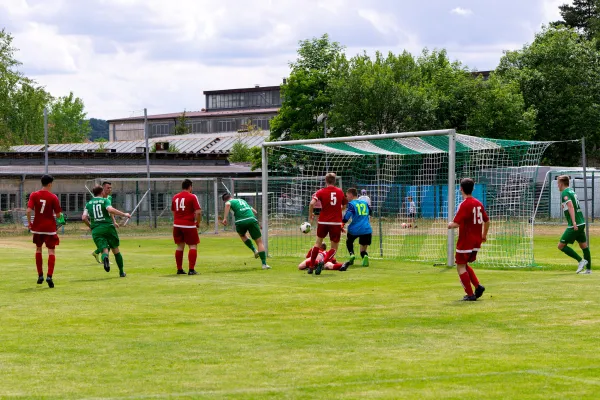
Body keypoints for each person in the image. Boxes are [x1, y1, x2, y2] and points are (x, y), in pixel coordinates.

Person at [448, 178, 489, 301]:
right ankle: (478, 286)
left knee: (460, 266)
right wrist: (484, 235)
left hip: (466, 241)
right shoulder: (478, 203)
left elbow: (456, 224)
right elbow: (487, 221)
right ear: (473, 188)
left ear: (461, 189)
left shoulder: (464, 204)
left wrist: (449, 225)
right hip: (476, 241)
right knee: (464, 265)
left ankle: (470, 294)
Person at [82, 185, 131, 277]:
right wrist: (124, 214)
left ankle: (105, 258)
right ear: (102, 192)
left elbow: (84, 218)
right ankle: (121, 272)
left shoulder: (88, 204)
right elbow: (110, 209)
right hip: (108, 227)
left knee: (104, 249)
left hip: (96, 229)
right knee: (115, 250)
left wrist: (91, 226)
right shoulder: (105, 200)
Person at [26, 174, 63, 288]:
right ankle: (49, 276)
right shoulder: (53, 197)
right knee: (51, 251)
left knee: (38, 249)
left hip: (37, 228)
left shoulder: (34, 195)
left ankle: (40, 275)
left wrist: (30, 223)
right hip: (50, 229)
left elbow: (28, 211)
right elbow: (58, 215)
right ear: (50, 184)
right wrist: (60, 219)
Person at [308, 172, 348, 275]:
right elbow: (344, 205)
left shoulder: (321, 191)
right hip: (335, 222)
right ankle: (323, 262)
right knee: (334, 247)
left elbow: (312, 203)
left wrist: (311, 215)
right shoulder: (340, 192)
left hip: (323, 221)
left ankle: (311, 266)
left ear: (325, 181)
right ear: (334, 181)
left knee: (318, 243)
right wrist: (338, 209)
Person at [222, 193, 270, 270]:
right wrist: (258, 223)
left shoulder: (229, 202)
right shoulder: (242, 200)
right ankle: (264, 264)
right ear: (231, 197)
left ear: (224, 200)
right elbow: (255, 211)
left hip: (240, 221)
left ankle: (254, 250)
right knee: (259, 242)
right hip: (252, 220)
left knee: (242, 235)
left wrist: (225, 218)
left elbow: (227, 204)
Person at [556, 175, 591, 274]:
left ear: (561, 183)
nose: (557, 186)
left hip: (574, 224)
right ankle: (588, 270)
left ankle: (581, 261)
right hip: (581, 222)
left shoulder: (565, 193)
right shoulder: (571, 191)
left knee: (561, 246)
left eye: (558, 183)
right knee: (584, 246)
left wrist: (574, 222)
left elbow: (571, 206)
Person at [172, 179, 202, 275]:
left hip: (176, 225)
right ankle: (191, 270)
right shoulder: (192, 196)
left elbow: (173, 211)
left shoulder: (175, 197)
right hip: (188, 225)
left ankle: (179, 269)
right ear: (190, 187)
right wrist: (197, 222)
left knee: (180, 246)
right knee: (193, 246)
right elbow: (198, 212)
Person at [343, 188, 372, 267]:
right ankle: (364, 256)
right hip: (366, 229)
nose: (347, 197)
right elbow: (370, 212)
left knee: (349, 241)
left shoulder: (352, 204)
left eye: (347, 196)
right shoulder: (365, 203)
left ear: (351, 195)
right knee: (363, 248)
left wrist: (342, 222)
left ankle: (352, 254)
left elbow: (346, 217)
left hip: (355, 229)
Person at [91, 181, 119, 264]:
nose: (109, 189)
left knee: (108, 242)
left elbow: (110, 211)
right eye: (108, 188)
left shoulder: (109, 198)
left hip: (108, 224)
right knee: (106, 242)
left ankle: (99, 255)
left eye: (110, 188)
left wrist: (114, 221)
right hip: (100, 225)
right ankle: (102, 256)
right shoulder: (97, 200)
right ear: (102, 189)